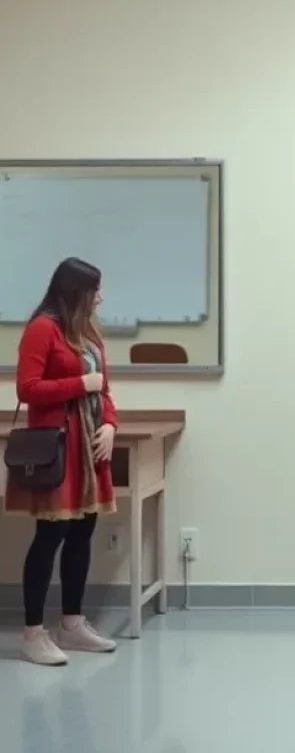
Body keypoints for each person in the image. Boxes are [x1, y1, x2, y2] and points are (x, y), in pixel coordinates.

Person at [7, 257, 119, 666]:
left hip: (90, 448)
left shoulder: (88, 333)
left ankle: (72, 625)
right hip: (59, 447)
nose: (101, 298)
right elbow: (28, 388)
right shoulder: (42, 329)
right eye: (96, 291)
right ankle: (33, 634)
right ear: (77, 293)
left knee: (81, 533)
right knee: (49, 537)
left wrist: (109, 425)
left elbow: (104, 390)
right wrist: (79, 384)